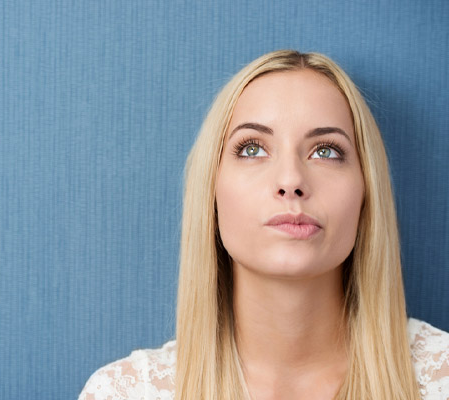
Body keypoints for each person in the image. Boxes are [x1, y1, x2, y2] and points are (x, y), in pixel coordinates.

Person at [78, 50, 449, 400]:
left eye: (326, 151)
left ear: (367, 192)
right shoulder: (125, 392)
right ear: (212, 193)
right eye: (252, 149)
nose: (290, 180)